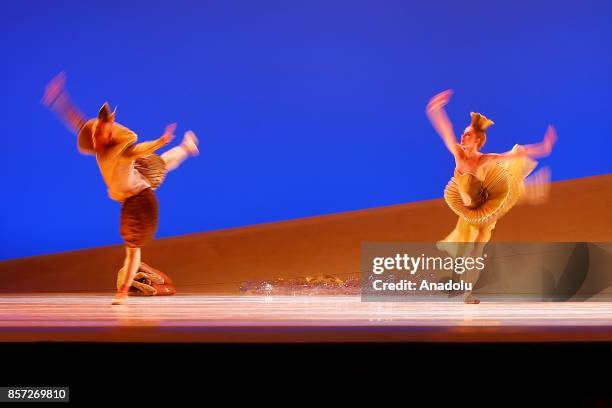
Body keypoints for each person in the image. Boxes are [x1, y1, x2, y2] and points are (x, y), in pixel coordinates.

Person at [42, 72, 199, 304]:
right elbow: (76, 121)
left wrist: (161, 141)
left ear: (110, 133)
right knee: (164, 164)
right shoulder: (97, 142)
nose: (96, 139)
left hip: (138, 184)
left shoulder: (123, 149)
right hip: (128, 189)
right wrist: (58, 99)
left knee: (162, 163)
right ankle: (185, 148)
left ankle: (186, 148)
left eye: (101, 135)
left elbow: (141, 149)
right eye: (95, 134)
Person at [426, 89, 557, 303]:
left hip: (484, 209)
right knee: (467, 250)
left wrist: (543, 147)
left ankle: (468, 293)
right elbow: (446, 131)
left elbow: (515, 154)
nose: (463, 136)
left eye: (467, 134)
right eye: (464, 133)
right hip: (467, 208)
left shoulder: (484, 159)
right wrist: (436, 109)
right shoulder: (458, 154)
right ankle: (529, 190)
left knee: (476, 251)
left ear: (477, 140)